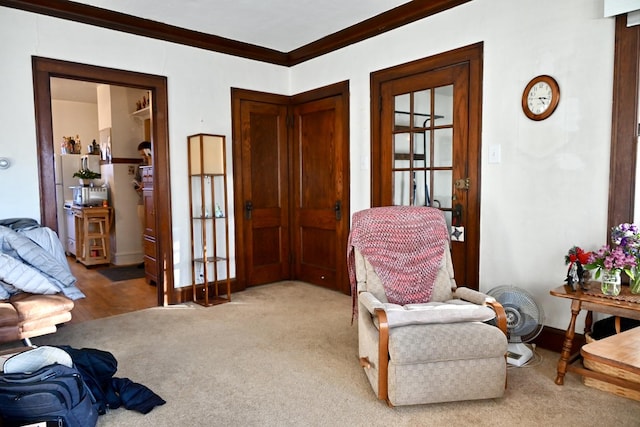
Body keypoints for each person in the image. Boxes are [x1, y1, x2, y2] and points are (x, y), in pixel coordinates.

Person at [133, 141, 151, 268]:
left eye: (144, 153)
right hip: (142, 201)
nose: (142, 156)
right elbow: (135, 181)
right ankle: (146, 258)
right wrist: (138, 186)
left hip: (153, 202)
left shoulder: (156, 163)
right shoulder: (140, 166)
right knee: (144, 231)